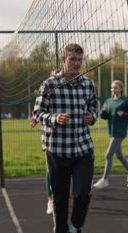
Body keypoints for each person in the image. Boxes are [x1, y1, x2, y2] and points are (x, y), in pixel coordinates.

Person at [33, 43, 97, 233]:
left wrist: (91, 117)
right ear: (63, 60)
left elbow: (94, 106)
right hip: (57, 150)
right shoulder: (50, 84)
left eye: (80, 60)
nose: (77, 63)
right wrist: (54, 118)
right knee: (60, 199)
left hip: (83, 149)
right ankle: (61, 228)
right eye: (72, 59)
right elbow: (38, 112)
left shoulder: (88, 84)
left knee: (82, 195)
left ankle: (76, 225)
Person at [93, 80, 128, 189]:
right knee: (119, 155)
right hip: (111, 132)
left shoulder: (125, 101)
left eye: (116, 88)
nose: (113, 90)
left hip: (120, 132)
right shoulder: (108, 101)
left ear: (121, 89)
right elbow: (103, 116)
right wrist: (104, 111)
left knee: (108, 155)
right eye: (112, 88)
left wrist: (124, 114)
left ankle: (105, 179)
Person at [30, 112, 54, 216]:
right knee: (50, 169)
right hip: (49, 139)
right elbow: (39, 110)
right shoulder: (43, 97)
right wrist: (35, 117)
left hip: (67, 139)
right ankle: (50, 200)